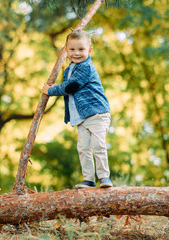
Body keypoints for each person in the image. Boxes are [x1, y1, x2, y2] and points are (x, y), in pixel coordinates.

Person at [42, 29, 112, 189]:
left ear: (89, 50)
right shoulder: (69, 69)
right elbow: (67, 86)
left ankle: (104, 177)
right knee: (83, 148)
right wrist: (56, 87)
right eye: (72, 49)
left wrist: (51, 90)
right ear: (66, 51)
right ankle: (89, 179)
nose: (76, 53)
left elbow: (71, 86)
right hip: (81, 117)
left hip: (96, 113)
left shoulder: (86, 67)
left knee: (98, 145)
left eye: (81, 49)